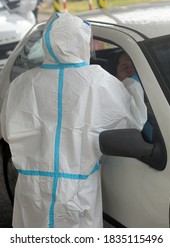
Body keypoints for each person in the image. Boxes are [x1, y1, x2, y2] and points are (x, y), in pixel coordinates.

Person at [0, 12, 147, 228]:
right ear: (81, 41)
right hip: (78, 192)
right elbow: (134, 121)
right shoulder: (98, 82)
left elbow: (6, 130)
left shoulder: (23, 83)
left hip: (32, 189)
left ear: (48, 43)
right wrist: (131, 83)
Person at [115, 51, 147, 127]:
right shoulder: (114, 95)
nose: (131, 69)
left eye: (133, 66)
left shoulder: (147, 83)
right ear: (115, 71)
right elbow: (137, 123)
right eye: (125, 67)